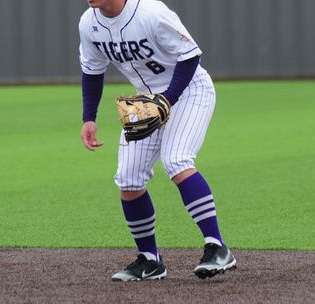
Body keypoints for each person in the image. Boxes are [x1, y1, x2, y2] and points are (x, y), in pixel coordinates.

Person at [79, 0, 236, 281]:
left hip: (188, 92)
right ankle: (150, 261)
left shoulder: (150, 12)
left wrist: (167, 100)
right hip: (146, 101)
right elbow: (92, 70)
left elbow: (190, 55)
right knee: (128, 179)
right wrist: (88, 118)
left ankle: (217, 247)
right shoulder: (88, 24)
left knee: (176, 161)